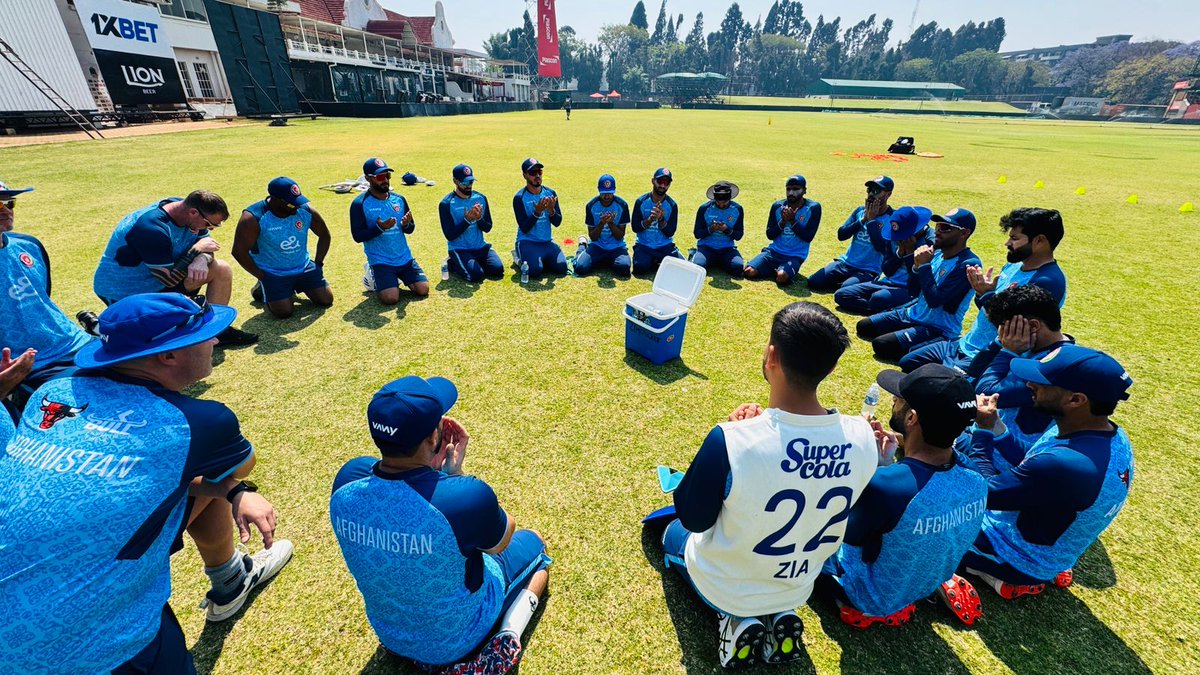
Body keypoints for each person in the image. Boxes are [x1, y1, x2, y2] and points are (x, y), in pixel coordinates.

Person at [0, 293, 293, 673]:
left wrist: (229, 490)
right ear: (167, 356)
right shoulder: (199, 422)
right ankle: (229, 579)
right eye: (206, 334)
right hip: (92, 642)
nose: (217, 340)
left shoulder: (50, 393)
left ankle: (231, 578)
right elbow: (234, 468)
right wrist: (233, 486)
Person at [654, 302, 877, 668]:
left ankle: (736, 619)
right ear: (832, 367)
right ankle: (777, 616)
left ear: (771, 355)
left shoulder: (731, 439)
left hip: (727, 585)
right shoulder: (863, 436)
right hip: (797, 585)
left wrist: (738, 438)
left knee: (668, 531)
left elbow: (694, 518)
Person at [330, 376, 551, 668]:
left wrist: (434, 478)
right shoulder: (465, 498)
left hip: (391, 635)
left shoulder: (347, 481)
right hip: (460, 641)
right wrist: (453, 479)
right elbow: (504, 537)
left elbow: (398, 491)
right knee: (536, 546)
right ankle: (507, 636)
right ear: (434, 438)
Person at [820, 365, 986, 629]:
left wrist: (863, 462)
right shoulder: (974, 474)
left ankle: (856, 606)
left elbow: (837, 532)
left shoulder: (887, 487)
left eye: (898, 399)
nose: (893, 400)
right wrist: (886, 467)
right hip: (920, 584)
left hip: (867, 595)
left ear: (911, 418)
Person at [963, 345, 1134, 599]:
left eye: (1042, 382)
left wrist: (982, 432)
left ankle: (994, 573)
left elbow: (981, 491)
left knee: (926, 524)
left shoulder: (1066, 464)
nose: (1029, 384)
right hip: (1050, 546)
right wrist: (996, 426)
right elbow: (1031, 457)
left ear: (1076, 399)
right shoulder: (1106, 433)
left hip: (1011, 553)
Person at [900, 207, 1068, 373]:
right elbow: (989, 309)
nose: (1007, 243)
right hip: (964, 344)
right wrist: (982, 293)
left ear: (1040, 241)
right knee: (908, 362)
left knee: (925, 384)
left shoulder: (1048, 281)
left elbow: (1013, 330)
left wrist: (986, 295)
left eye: (1014, 238)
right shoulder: (1014, 265)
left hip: (986, 357)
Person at [92, 190, 258, 345]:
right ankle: (98, 327)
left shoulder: (187, 212)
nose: (209, 229)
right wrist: (196, 250)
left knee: (221, 269)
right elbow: (169, 280)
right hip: (125, 291)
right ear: (193, 212)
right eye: (209, 225)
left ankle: (215, 331)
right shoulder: (151, 228)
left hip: (158, 282)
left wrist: (201, 259)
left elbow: (207, 247)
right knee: (154, 343)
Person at [0, 179, 94, 416]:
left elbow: (43, 299)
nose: (6, 211)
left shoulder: (29, 245)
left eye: (9, 203)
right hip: (28, 364)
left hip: (75, 342)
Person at [968, 285, 1076, 471]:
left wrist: (1007, 351)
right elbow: (974, 373)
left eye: (1004, 328)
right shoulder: (1031, 346)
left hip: (1002, 458)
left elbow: (985, 391)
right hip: (987, 433)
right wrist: (998, 345)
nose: (1001, 335)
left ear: (1033, 326)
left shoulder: (1054, 366)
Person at [856, 208, 981, 363]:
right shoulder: (935, 253)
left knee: (882, 345)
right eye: (938, 226)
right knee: (864, 326)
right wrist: (915, 266)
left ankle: (937, 343)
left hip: (937, 327)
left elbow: (935, 300)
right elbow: (913, 291)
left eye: (945, 228)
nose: (938, 231)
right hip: (912, 313)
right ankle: (907, 336)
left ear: (964, 233)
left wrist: (924, 266)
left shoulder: (967, 264)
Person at [232, 177, 333, 319]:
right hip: (273, 272)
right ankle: (262, 287)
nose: (297, 207)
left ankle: (291, 287)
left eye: (298, 202)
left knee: (326, 300)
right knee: (284, 313)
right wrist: (262, 276)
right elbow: (238, 252)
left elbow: (324, 235)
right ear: (275, 199)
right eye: (292, 204)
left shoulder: (304, 211)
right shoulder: (253, 217)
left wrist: (318, 263)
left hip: (303, 266)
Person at [352, 158, 429, 304]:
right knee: (390, 298)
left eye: (387, 176)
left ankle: (394, 278)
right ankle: (372, 274)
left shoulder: (399, 199)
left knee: (423, 289)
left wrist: (406, 225)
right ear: (368, 178)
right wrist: (380, 228)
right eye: (380, 177)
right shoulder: (359, 204)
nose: (385, 180)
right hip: (380, 260)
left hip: (404, 258)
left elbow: (411, 229)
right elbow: (357, 236)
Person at [834, 206, 934, 315]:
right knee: (841, 294)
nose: (898, 239)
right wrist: (899, 254)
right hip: (887, 283)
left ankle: (886, 310)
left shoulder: (931, 243)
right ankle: (884, 312)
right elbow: (887, 271)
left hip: (910, 289)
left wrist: (910, 253)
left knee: (878, 298)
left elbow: (918, 282)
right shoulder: (895, 236)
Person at [806, 176, 895, 292]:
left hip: (868, 270)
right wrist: (863, 220)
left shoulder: (892, 218)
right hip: (845, 263)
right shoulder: (860, 211)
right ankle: (848, 281)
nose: (871, 194)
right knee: (814, 282)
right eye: (870, 190)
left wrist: (872, 221)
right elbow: (841, 235)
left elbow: (882, 247)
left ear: (888, 194)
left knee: (845, 289)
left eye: (877, 191)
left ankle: (855, 283)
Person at [744, 175, 821, 285]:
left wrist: (793, 221)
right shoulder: (777, 206)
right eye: (788, 189)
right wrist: (783, 222)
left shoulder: (813, 208)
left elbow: (808, 237)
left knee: (782, 277)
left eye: (795, 189)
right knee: (749, 272)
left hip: (795, 255)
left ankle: (781, 270)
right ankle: (774, 266)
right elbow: (770, 235)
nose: (791, 193)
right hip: (774, 252)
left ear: (804, 190)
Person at [440, 164, 504, 283]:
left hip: (480, 247)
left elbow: (488, 227)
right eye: (465, 183)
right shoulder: (446, 204)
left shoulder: (480, 198)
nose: (469, 186)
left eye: (471, 182)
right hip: (460, 249)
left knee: (498, 270)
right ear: (455, 181)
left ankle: (471, 262)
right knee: (476, 276)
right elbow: (449, 235)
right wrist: (467, 221)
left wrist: (479, 218)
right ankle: (453, 263)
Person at [511, 158, 567, 279]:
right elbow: (525, 228)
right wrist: (537, 212)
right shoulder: (519, 198)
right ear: (524, 175)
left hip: (546, 241)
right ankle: (518, 258)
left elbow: (557, 222)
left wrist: (552, 210)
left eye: (539, 172)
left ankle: (539, 259)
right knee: (535, 272)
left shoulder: (551, 193)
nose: (537, 176)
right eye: (532, 173)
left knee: (562, 268)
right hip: (527, 241)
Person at [574, 174, 632, 278]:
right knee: (580, 268)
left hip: (616, 247)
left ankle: (605, 260)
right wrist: (601, 223)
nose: (607, 196)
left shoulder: (622, 205)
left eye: (610, 193)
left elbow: (620, 236)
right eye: (604, 193)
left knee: (624, 269)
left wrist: (610, 223)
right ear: (598, 190)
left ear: (614, 190)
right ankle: (582, 246)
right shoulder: (591, 206)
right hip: (597, 246)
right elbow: (593, 237)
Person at [631, 168, 684, 275]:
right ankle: (656, 260)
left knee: (681, 268)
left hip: (664, 246)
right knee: (639, 268)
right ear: (653, 181)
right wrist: (650, 219)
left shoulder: (672, 205)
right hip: (644, 245)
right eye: (660, 181)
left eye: (666, 183)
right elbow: (635, 228)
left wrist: (661, 219)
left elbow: (670, 232)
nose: (663, 186)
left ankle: (658, 259)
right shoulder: (641, 202)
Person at [690, 182, 745, 277]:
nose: (721, 204)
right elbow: (697, 234)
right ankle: (694, 254)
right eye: (718, 201)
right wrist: (710, 229)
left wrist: (727, 230)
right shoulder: (704, 208)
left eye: (725, 202)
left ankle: (717, 261)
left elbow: (739, 235)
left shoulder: (737, 209)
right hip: (706, 247)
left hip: (727, 248)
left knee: (738, 268)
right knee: (697, 267)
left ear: (730, 198)